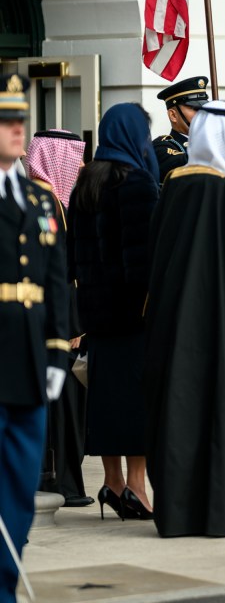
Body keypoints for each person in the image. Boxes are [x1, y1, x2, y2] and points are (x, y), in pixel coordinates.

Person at [144, 101, 225, 538]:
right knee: (222, 414)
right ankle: (221, 512)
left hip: (172, 332)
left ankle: (178, 515)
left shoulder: (174, 187)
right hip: (220, 334)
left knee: (179, 416)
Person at [68, 102, 159, 521]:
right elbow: (141, 263)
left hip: (97, 316)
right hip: (132, 316)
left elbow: (74, 259)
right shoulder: (137, 182)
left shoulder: (83, 182)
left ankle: (112, 483)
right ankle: (137, 488)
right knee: (138, 402)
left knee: (104, 401)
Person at [0, 72, 71, 603]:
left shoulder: (40, 201)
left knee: (21, 487)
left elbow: (54, 283)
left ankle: (8, 568)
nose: (16, 130)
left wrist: (57, 352)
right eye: (6, 121)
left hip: (28, 362)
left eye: (20, 120)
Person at [24, 130, 90, 508]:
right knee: (63, 406)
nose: (80, 166)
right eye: (74, 156)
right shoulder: (47, 203)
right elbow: (56, 275)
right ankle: (63, 483)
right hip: (56, 325)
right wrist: (72, 326)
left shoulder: (45, 199)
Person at [151, 75, 209, 183]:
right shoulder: (161, 147)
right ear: (173, 115)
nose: (202, 114)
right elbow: (185, 164)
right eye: (194, 108)